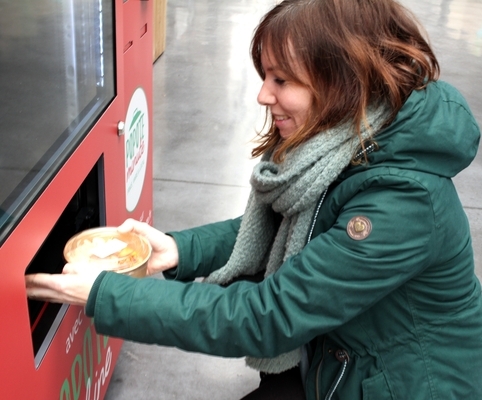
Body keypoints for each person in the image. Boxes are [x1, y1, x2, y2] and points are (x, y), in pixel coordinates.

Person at [26, 0, 482, 399]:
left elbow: (268, 317)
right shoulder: (349, 135)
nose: (264, 95)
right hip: (337, 358)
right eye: (266, 75)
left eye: (282, 80)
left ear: (344, 82)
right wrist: (179, 250)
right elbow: (286, 229)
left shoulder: (404, 201)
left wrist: (110, 296)